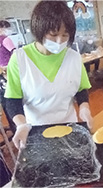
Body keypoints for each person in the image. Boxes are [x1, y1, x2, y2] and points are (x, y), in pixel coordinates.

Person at [4, 1, 93, 149]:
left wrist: (84, 109)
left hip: (69, 129)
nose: (60, 41)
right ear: (39, 30)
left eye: (65, 35)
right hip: (35, 133)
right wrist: (21, 125)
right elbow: (13, 100)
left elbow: (81, 90)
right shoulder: (20, 59)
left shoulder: (74, 57)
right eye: (53, 34)